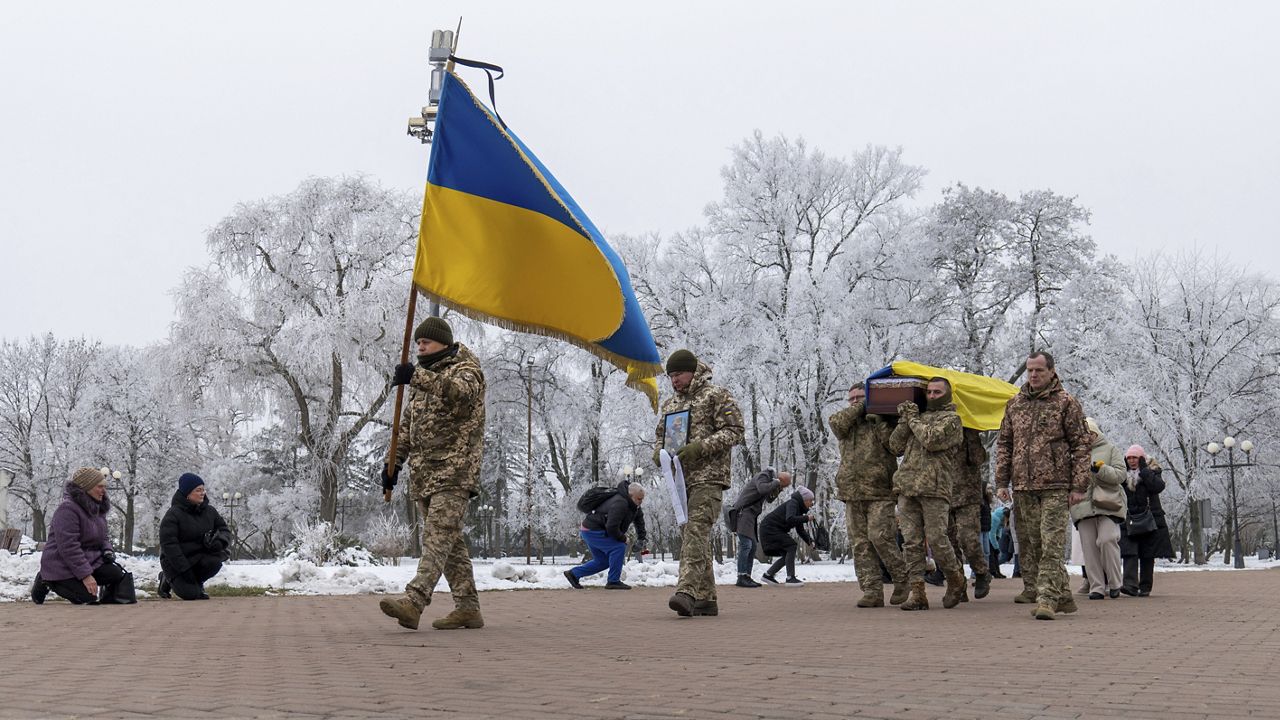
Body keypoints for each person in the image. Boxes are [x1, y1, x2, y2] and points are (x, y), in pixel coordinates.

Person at [379, 317, 487, 631]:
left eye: (425, 342)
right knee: (449, 543)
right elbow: (407, 430)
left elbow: (458, 393)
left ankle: (414, 602)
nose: (420, 347)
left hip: (455, 472)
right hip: (425, 475)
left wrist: (417, 377)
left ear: (444, 342)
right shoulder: (421, 385)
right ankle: (468, 608)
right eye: (418, 343)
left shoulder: (467, 371)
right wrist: (393, 466)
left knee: (436, 537)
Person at [995, 351, 1091, 621]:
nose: (1034, 375)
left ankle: (1046, 599)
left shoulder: (1066, 403)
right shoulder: (1015, 404)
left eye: (1039, 370)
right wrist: (1002, 481)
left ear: (1051, 371)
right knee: (1033, 545)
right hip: (1023, 486)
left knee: (1051, 544)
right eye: (1030, 370)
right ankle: (1064, 596)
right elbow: (1005, 444)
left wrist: (1079, 485)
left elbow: (1081, 445)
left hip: (1056, 485)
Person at [653, 349, 745, 618]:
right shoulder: (670, 405)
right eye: (670, 376)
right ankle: (706, 598)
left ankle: (686, 591)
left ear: (693, 371)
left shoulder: (716, 395)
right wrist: (658, 452)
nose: (674, 380)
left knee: (695, 530)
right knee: (692, 535)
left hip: (709, 476)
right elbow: (661, 435)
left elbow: (735, 430)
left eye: (678, 374)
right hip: (680, 481)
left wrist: (700, 447)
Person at [889, 377, 967, 610]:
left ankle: (955, 579)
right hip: (907, 487)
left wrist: (912, 418)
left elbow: (931, 440)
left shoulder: (952, 420)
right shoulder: (916, 418)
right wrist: (905, 419)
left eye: (937, 392)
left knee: (937, 539)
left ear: (947, 395)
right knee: (911, 542)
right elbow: (895, 446)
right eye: (929, 392)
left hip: (934, 488)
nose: (932, 396)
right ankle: (918, 593)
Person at [829, 383, 909, 608]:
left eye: (860, 398)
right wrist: (862, 406)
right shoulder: (847, 422)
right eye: (852, 398)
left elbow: (896, 447)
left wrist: (879, 419)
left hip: (879, 490)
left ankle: (902, 578)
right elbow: (836, 424)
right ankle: (871, 590)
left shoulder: (882, 419)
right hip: (851, 491)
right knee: (860, 543)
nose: (855, 401)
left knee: (879, 536)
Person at [31, 467, 127, 605]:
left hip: (89, 560)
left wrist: (107, 550)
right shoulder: (67, 509)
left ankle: (79, 581)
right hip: (61, 564)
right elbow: (69, 547)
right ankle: (46, 580)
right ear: (86, 487)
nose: (103, 491)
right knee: (87, 598)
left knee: (116, 574)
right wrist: (86, 575)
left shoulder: (97, 508)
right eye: (99, 487)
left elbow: (103, 537)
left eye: (104, 487)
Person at [1068, 419, 1127, 599]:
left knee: (1107, 539)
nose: (1087, 436)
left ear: (1096, 432)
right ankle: (1097, 587)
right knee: (1089, 548)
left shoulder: (1110, 449)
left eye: (1090, 432)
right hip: (1082, 506)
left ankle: (1115, 582)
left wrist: (1101, 469)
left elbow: (1120, 475)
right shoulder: (1073, 453)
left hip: (1107, 504)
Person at [157, 473, 232, 601]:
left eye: (203, 489)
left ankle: (197, 582)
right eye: (198, 490)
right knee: (190, 595)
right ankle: (166, 578)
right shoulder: (173, 515)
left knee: (214, 563)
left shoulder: (210, 511)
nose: (202, 493)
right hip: (176, 563)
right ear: (187, 493)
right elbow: (169, 545)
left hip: (199, 559)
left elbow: (224, 530)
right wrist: (184, 569)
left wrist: (219, 542)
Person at [564, 482, 648, 590]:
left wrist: (641, 538)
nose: (641, 502)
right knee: (619, 547)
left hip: (589, 530)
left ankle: (573, 574)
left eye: (642, 499)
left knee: (603, 561)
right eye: (639, 499)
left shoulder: (634, 505)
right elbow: (611, 527)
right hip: (593, 530)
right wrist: (623, 538)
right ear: (630, 495)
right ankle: (613, 581)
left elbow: (639, 521)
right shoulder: (620, 503)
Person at [1119, 445, 1172, 597]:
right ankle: (1130, 585)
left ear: (1141, 458)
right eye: (1129, 458)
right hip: (1128, 518)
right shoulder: (1122, 474)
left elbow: (1158, 487)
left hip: (1150, 518)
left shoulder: (1153, 471)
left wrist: (1144, 471)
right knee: (1129, 551)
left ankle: (1145, 586)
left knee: (1147, 553)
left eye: (1135, 457)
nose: (1132, 461)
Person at [947, 428, 992, 600]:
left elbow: (978, 458)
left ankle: (981, 572)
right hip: (943, 494)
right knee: (949, 544)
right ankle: (958, 584)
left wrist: (971, 435)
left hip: (967, 495)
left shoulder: (968, 433)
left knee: (968, 539)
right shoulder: (937, 430)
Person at [726, 468, 790, 587]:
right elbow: (762, 489)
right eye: (783, 484)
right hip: (743, 513)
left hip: (751, 515)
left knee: (753, 545)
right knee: (746, 545)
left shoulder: (769, 480)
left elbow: (769, 499)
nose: (782, 486)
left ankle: (747, 576)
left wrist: (779, 489)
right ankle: (741, 576)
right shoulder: (763, 475)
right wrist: (776, 483)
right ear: (779, 478)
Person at [759, 486, 817, 586]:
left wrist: (810, 541)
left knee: (787, 554)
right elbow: (790, 519)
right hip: (770, 528)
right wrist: (806, 518)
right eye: (810, 500)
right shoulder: (793, 503)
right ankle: (790, 578)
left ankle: (768, 575)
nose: (812, 504)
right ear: (804, 499)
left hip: (772, 529)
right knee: (792, 545)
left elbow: (800, 530)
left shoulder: (798, 508)